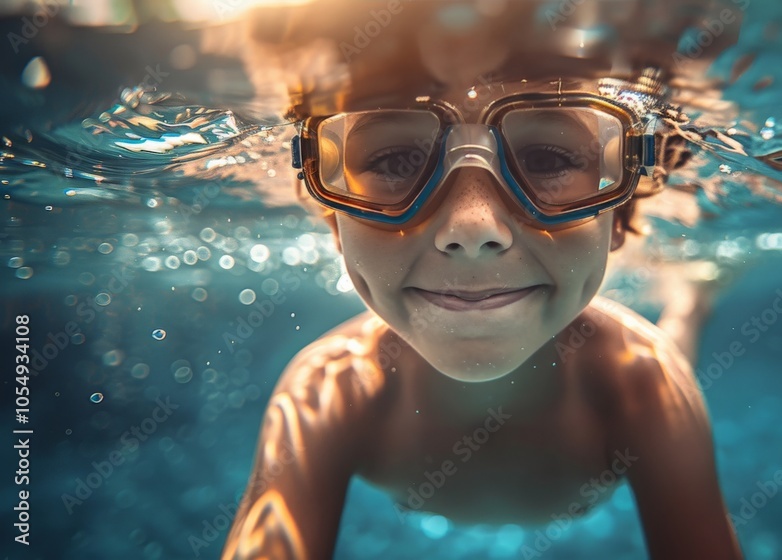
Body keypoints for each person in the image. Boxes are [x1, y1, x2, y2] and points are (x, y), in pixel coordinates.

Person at [222, 1, 745, 558]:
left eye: (546, 158)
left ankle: (689, 303)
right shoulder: (328, 391)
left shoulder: (642, 380)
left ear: (618, 217)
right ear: (335, 219)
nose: (472, 229)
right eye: (396, 162)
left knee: (672, 343)